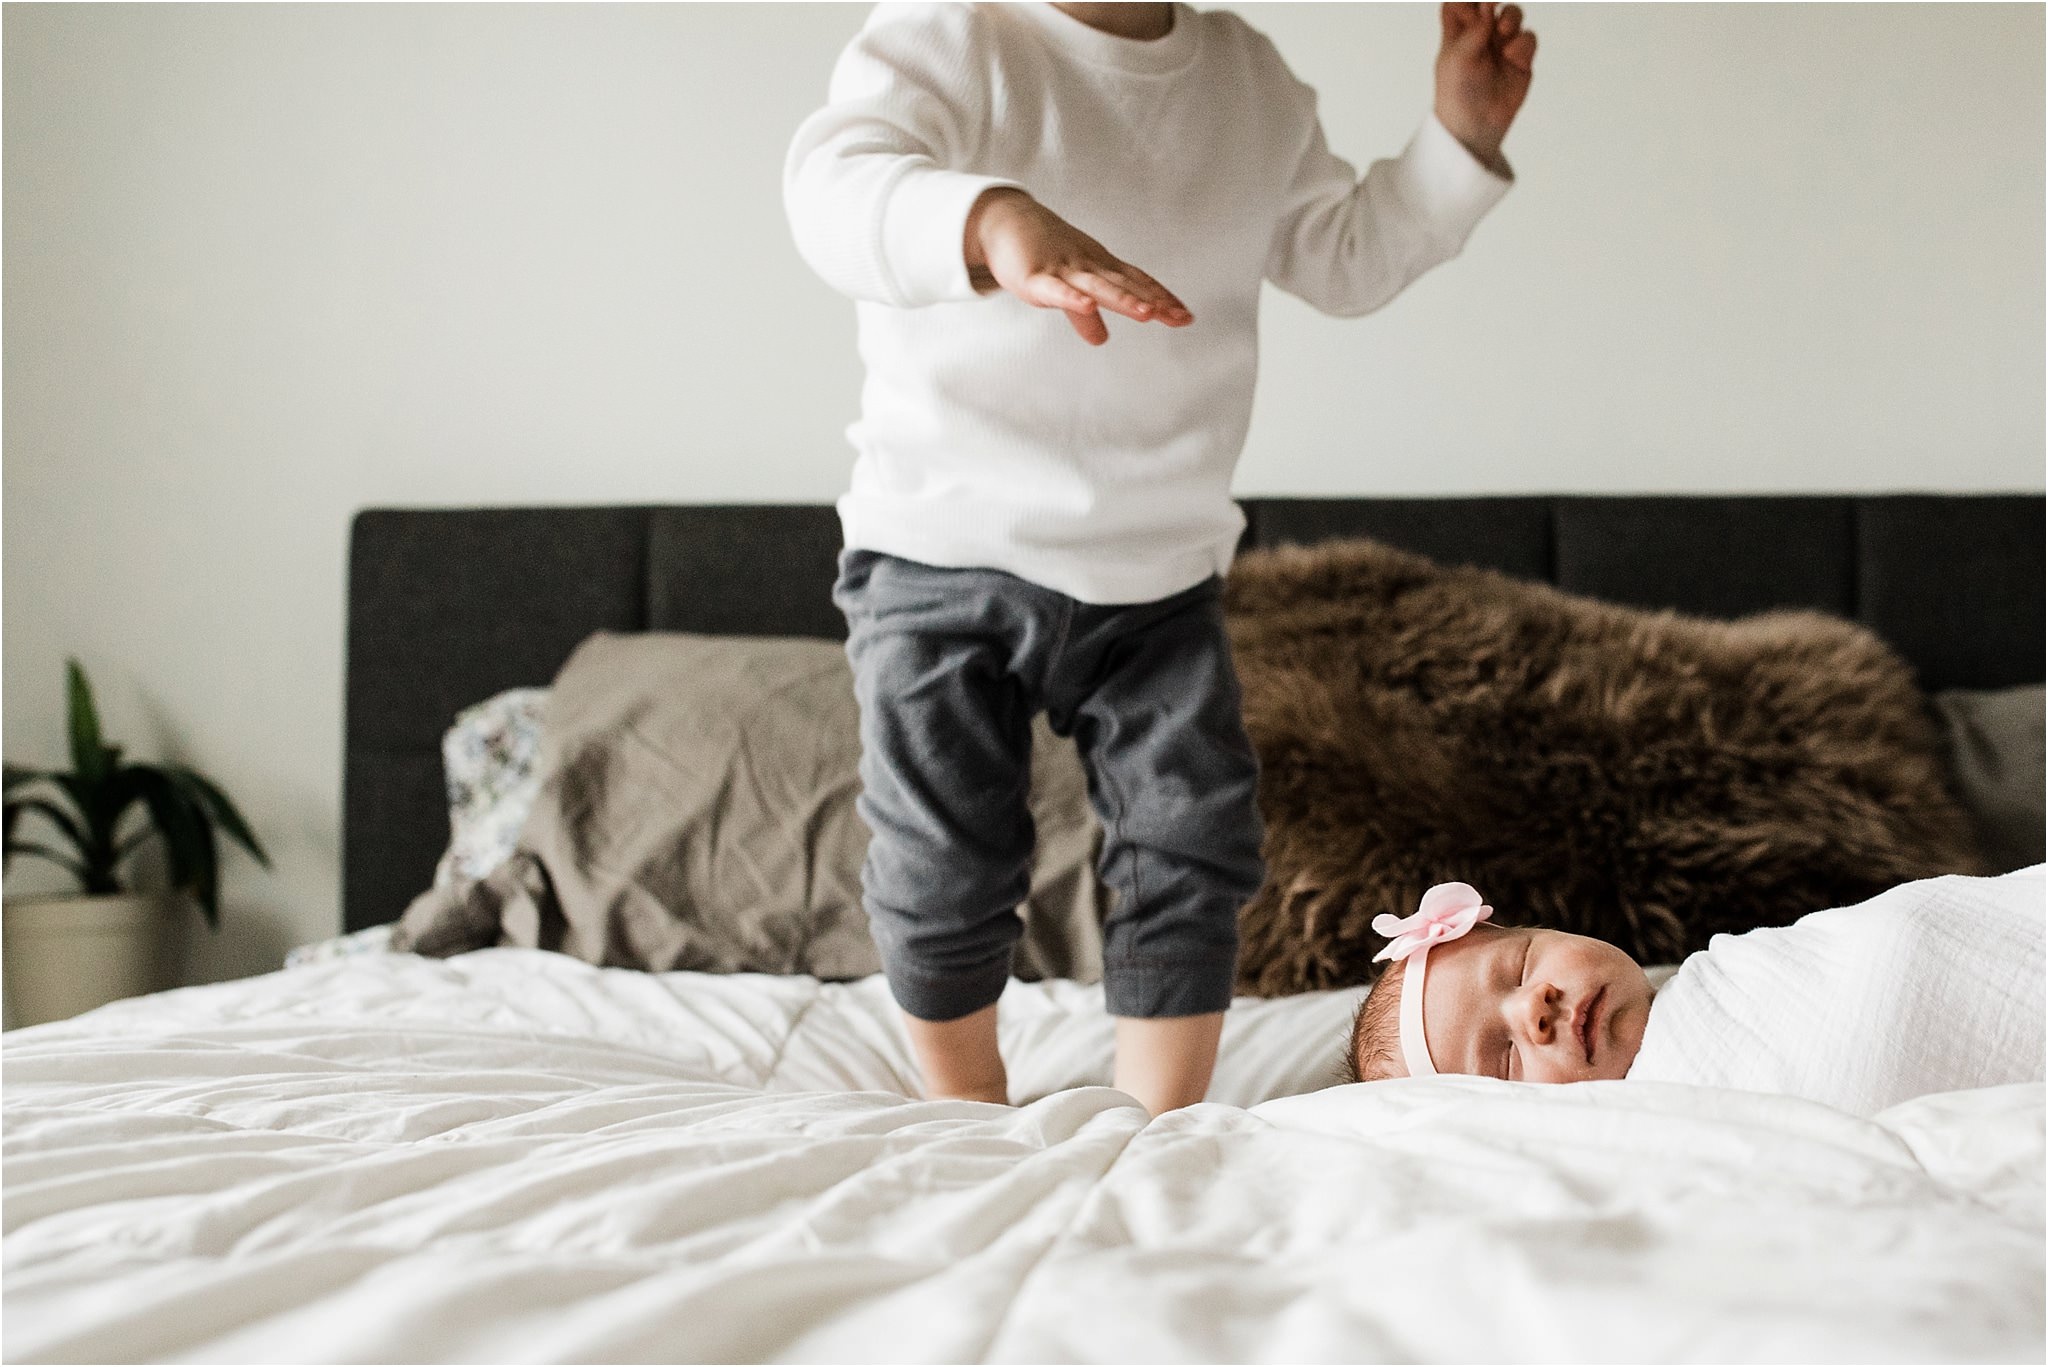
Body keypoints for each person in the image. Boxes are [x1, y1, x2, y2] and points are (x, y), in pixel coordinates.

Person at [784, 2, 1537, 1115]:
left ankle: (1161, 1116)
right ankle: (962, 1103)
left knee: (1191, 841)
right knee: (948, 852)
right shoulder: (951, 37)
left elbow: (1339, 256)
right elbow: (832, 190)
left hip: (1157, 566)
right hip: (945, 545)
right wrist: (986, 221)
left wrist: (1455, 140)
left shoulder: (1242, 77)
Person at [1346, 872, 2046, 1118]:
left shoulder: (1735, 973)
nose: (1535, 1006)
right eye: (1502, 1058)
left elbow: (1909, 940)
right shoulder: (1656, 1127)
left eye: (1521, 963)